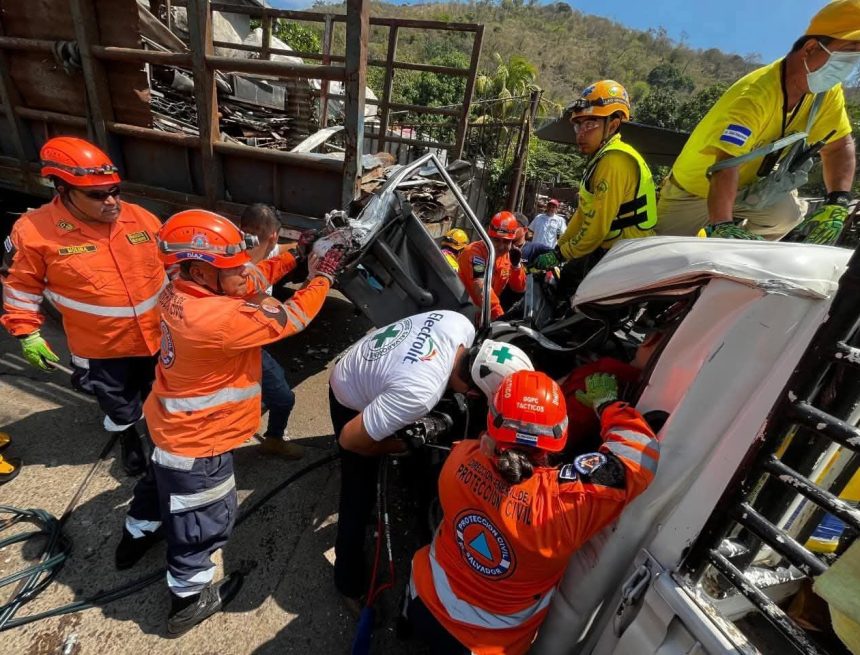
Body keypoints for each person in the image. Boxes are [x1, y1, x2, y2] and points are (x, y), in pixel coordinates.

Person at [114, 209, 345, 636]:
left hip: (168, 426)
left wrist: (300, 251)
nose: (245, 271)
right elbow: (292, 316)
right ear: (203, 271)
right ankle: (189, 597)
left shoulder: (180, 289)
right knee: (203, 519)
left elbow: (253, 276)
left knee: (155, 486)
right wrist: (323, 277)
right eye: (233, 267)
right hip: (200, 442)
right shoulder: (217, 319)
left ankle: (135, 537)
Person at [406, 370, 660, 655]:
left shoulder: (459, 459)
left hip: (422, 598)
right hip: (485, 645)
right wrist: (607, 403)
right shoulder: (563, 505)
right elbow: (640, 457)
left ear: (492, 423)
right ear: (561, 436)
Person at [329, 316, 533, 609]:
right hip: (349, 393)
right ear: (473, 393)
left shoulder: (461, 325)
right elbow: (349, 440)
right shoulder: (419, 395)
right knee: (357, 493)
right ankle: (348, 582)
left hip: (370, 360)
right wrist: (400, 445)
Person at [1, 136, 166, 476]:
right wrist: (26, 333)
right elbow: (20, 285)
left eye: (115, 190)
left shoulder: (140, 219)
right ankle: (129, 439)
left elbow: (176, 265)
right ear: (62, 188)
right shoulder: (34, 232)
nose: (111, 202)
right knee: (119, 404)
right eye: (97, 194)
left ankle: (159, 436)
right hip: (102, 347)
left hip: (156, 337)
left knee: (159, 393)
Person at [656, 1, 860, 242]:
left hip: (750, 189)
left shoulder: (827, 92)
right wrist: (722, 224)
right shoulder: (754, 95)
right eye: (848, 52)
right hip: (692, 192)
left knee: (786, 216)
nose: (849, 65)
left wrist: (837, 201)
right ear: (811, 48)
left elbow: (838, 146)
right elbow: (726, 165)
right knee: (660, 254)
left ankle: (741, 258)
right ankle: (721, 239)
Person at [530, 81, 657, 294]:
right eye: (578, 125)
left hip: (624, 257)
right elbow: (583, 213)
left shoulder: (614, 161)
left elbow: (596, 228)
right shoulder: (600, 159)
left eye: (590, 125)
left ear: (614, 125)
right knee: (564, 282)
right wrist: (559, 248)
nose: (580, 134)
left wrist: (561, 254)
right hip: (610, 251)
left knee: (573, 305)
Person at [236, 203, 303, 460]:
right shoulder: (241, 269)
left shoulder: (245, 245)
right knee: (283, 399)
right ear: (274, 234)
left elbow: (279, 251)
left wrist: (303, 248)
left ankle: (272, 439)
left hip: (240, 343)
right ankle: (272, 440)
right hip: (242, 346)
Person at [458, 212, 526, 321]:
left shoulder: (507, 257)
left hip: (484, 316)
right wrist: (500, 318)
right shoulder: (474, 253)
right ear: (488, 236)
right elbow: (481, 287)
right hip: (463, 313)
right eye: (496, 240)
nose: (501, 246)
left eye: (506, 241)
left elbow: (519, 288)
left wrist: (516, 266)